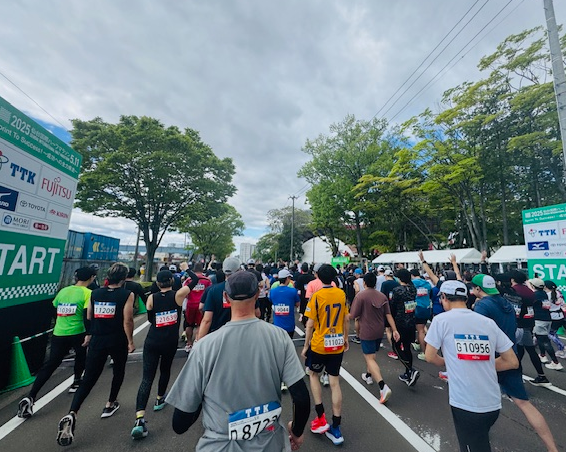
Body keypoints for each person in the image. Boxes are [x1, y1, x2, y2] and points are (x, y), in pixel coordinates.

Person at [166, 271, 310, 452]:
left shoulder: (204, 346)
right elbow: (301, 397)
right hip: (269, 442)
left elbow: (180, 423)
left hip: (219, 446)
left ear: (226, 297)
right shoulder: (279, 337)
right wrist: (296, 431)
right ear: (257, 295)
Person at [425, 280, 519, 452]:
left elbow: (429, 356)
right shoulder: (487, 322)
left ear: (444, 297)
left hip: (465, 402)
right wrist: (481, 363)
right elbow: (512, 361)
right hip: (492, 403)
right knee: (480, 443)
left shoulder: (441, 320)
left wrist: (450, 362)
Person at [472, 274, 559, 452]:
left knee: (478, 401)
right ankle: (552, 448)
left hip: (490, 359)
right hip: (511, 355)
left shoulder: (482, 306)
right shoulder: (506, 303)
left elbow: (477, 332)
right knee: (524, 403)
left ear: (478, 289)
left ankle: (477, 435)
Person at [56, 263, 135, 447]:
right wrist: (130, 341)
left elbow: (90, 316)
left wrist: (92, 332)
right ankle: (110, 403)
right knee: (118, 371)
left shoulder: (95, 293)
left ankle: (73, 412)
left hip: (98, 340)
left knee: (88, 379)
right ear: (124, 278)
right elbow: (128, 320)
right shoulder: (127, 294)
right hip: (117, 340)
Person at [18, 267, 96, 418]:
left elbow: (54, 307)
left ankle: (31, 395)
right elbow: (87, 315)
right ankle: (76, 381)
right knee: (81, 355)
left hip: (59, 332)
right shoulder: (88, 293)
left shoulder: (63, 291)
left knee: (51, 364)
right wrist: (89, 333)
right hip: (77, 331)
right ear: (91, 278)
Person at [131, 270, 196, 439]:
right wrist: (186, 269)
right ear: (171, 281)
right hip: (170, 341)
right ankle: (160, 398)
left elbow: (150, 319)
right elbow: (195, 280)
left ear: (158, 283)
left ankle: (139, 418)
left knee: (147, 378)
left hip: (152, 340)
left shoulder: (152, 298)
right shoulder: (178, 295)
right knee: (165, 369)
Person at [301, 264, 349, 445]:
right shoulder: (341, 294)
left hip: (319, 344)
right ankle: (336, 426)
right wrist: (345, 338)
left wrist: (306, 346)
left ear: (319, 278)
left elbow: (310, 324)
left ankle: (320, 416)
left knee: (314, 374)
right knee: (334, 382)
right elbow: (346, 319)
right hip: (336, 343)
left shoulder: (316, 296)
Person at [349, 272, 399, 403]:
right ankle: (368, 375)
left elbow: (353, 315)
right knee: (372, 355)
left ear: (364, 283)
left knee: (369, 357)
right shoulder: (382, 296)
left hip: (367, 330)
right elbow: (388, 314)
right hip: (379, 330)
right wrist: (394, 330)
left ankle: (382, 386)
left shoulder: (361, 296)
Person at [498, 272, 550, 387]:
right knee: (522, 349)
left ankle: (537, 376)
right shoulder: (529, 290)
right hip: (529, 322)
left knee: (524, 350)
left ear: (512, 279)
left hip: (519, 323)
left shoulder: (514, 291)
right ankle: (527, 374)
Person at [197, 257, 241, 339]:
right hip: (239, 333)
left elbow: (206, 320)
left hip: (216, 333)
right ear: (239, 270)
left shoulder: (213, 290)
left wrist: (199, 341)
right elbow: (257, 313)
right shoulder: (245, 289)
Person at [389, 269, 420, 386]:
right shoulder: (413, 289)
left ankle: (411, 370)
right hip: (411, 321)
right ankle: (408, 373)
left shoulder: (397, 290)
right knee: (407, 347)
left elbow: (392, 307)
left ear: (400, 278)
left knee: (396, 346)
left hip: (400, 322)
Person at [529, 278, 563, 370]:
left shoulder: (535, 295)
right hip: (548, 318)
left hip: (540, 320)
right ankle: (542, 355)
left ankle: (556, 362)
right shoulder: (544, 293)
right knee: (540, 338)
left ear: (533, 286)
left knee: (545, 341)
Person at [183, 263, 211, 352]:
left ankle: (189, 344)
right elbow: (209, 293)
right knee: (200, 324)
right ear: (202, 269)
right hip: (201, 305)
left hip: (190, 305)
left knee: (189, 325)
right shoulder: (207, 280)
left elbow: (184, 293)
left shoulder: (188, 280)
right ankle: (197, 341)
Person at [270, 269, 300, 340]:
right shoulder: (293, 291)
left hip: (277, 325)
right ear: (287, 278)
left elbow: (271, 301)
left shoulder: (273, 291)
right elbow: (298, 304)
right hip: (289, 324)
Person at [410, 268, 432, 361]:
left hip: (417, 307)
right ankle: (419, 344)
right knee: (422, 328)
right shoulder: (427, 283)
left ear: (412, 275)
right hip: (427, 307)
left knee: (420, 331)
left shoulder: (412, 283)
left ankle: (424, 352)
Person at [544, 280, 566, 358]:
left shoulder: (547, 295)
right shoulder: (559, 293)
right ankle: (561, 349)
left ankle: (562, 347)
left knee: (548, 333)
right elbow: (563, 304)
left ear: (545, 287)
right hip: (560, 316)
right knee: (553, 333)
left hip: (552, 317)